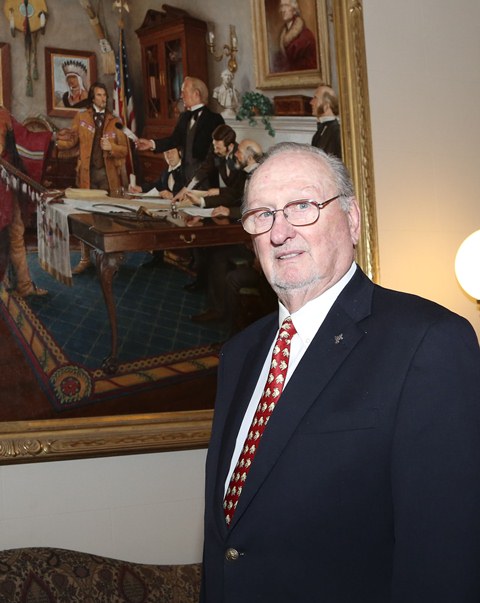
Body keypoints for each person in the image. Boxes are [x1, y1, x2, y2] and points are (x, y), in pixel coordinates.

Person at [201, 142, 480, 602]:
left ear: (351, 219)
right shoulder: (240, 353)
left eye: (302, 207)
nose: (280, 231)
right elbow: (230, 545)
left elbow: (445, 557)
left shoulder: (427, 342)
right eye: (262, 214)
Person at [56, 82, 128, 273]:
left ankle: (111, 257)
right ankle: (85, 258)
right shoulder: (81, 117)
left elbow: (125, 150)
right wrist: (56, 139)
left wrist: (111, 148)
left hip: (107, 176)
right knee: (84, 217)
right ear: (92, 97)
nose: (103, 98)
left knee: (108, 216)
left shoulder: (115, 120)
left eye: (105, 95)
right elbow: (71, 140)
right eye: (99, 95)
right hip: (86, 175)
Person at [189, 138, 264, 323]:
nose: (236, 154)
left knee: (218, 255)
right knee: (216, 253)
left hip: (256, 243)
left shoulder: (260, 178)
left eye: (239, 151)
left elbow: (256, 209)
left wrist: (229, 211)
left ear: (250, 156)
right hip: (245, 235)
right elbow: (233, 195)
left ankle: (220, 311)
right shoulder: (245, 174)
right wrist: (202, 203)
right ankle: (218, 307)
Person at [136, 76, 224, 188]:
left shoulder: (214, 119)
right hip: (184, 180)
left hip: (206, 182)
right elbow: (174, 140)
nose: (181, 96)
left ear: (196, 94)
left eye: (184, 92)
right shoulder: (184, 117)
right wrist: (151, 144)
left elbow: (217, 155)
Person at [0, 106, 47, 296]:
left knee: (15, 234)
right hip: (4, 188)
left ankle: (23, 284)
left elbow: (24, 140)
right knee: (10, 236)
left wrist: (49, 138)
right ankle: (16, 285)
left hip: (11, 184)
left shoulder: (2, 113)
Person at [129, 146, 186, 268]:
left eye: (171, 152)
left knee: (159, 219)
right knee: (152, 216)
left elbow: (192, 190)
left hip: (186, 209)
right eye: (166, 153)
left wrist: (173, 195)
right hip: (170, 209)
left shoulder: (187, 170)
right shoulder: (166, 170)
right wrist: (139, 189)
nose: (168, 156)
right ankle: (158, 256)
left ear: (180, 153)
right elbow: (156, 184)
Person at [273, 0, 318, 72]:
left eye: (286, 6)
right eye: (281, 6)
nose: (283, 10)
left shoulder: (306, 36)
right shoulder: (283, 36)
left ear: (294, 10)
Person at [310, 82, 342, 159]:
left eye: (315, 98)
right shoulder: (321, 129)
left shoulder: (337, 132)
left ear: (327, 104)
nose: (311, 102)